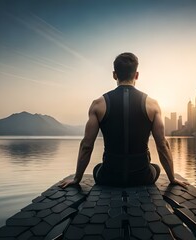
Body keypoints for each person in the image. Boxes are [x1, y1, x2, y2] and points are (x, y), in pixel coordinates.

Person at [59, 52, 188, 188]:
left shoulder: (98, 104)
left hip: (108, 177)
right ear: (136, 75)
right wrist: (172, 178)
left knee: (97, 168)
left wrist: (77, 178)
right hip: (142, 177)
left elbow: (86, 145)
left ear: (114, 74)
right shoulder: (153, 105)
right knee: (155, 168)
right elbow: (162, 145)